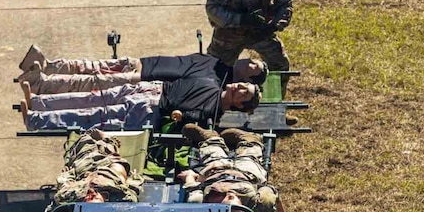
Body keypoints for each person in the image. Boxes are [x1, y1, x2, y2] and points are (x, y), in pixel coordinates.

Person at [205, 0, 295, 121]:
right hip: (229, 34)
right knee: (213, 71)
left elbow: (285, 3)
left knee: (279, 66)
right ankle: (213, 113)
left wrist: (273, 25)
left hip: (259, 32)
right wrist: (240, 19)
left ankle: (273, 112)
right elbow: (212, 7)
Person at [177, 123, 292, 212]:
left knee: (212, 153)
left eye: (223, 200)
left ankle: (211, 138)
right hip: (247, 174)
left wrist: (190, 176)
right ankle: (248, 138)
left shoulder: (202, 203)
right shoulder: (260, 206)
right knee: (250, 154)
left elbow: (192, 188)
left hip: (217, 172)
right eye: (232, 199)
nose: (230, 194)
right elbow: (273, 192)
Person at [20, 79, 260, 131]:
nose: (238, 87)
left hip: (147, 110)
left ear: (239, 105)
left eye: (243, 92)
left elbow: (182, 120)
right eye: (242, 84)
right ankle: (39, 102)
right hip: (148, 89)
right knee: (91, 97)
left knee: (89, 116)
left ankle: (35, 120)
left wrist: (180, 115)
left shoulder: (211, 114)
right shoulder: (212, 82)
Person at [16, 47, 267, 95]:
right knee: (88, 67)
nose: (248, 61)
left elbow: (175, 83)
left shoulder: (214, 81)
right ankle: (45, 67)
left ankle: (41, 83)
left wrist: (140, 79)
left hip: (141, 77)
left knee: (87, 81)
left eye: (252, 66)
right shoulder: (217, 62)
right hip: (141, 63)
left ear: (248, 78)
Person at [50, 128, 145, 210]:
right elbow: (132, 192)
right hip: (109, 172)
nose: (92, 195)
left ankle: (89, 138)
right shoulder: (120, 198)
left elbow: (63, 187)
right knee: (112, 158)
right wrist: (132, 179)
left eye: (88, 199)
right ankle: (109, 141)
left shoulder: (73, 197)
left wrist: (68, 175)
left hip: (85, 173)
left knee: (84, 149)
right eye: (95, 198)